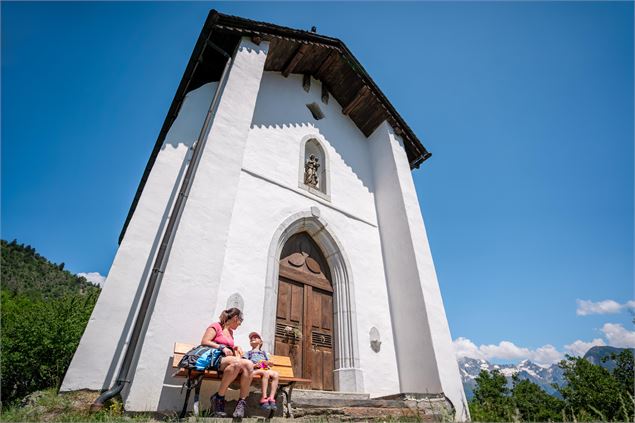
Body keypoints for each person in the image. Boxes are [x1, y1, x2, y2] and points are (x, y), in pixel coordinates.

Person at [201, 308, 254, 418]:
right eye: (240, 321)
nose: (239, 325)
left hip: (227, 361)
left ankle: (241, 402)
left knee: (248, 364)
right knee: (237, 362)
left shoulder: (230, 332)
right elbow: (205, 341)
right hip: (214, 359)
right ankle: (219, 398)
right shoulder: (216, 326)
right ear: (235, 318)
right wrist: (221, 347)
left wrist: (235, 347)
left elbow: (228, 346)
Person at [244, 331, 279, 410]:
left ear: (261, 342)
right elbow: (244, 364)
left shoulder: (264, 353)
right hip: (254, 370)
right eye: (251, 338)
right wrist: (254, 365)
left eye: (256, 337)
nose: (252, 338)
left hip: (264, 368)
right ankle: (264, 397)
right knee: (265, 373)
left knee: (276, 374)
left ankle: (271, 398)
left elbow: (269, 364)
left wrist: (269, 363)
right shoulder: (248, 353)